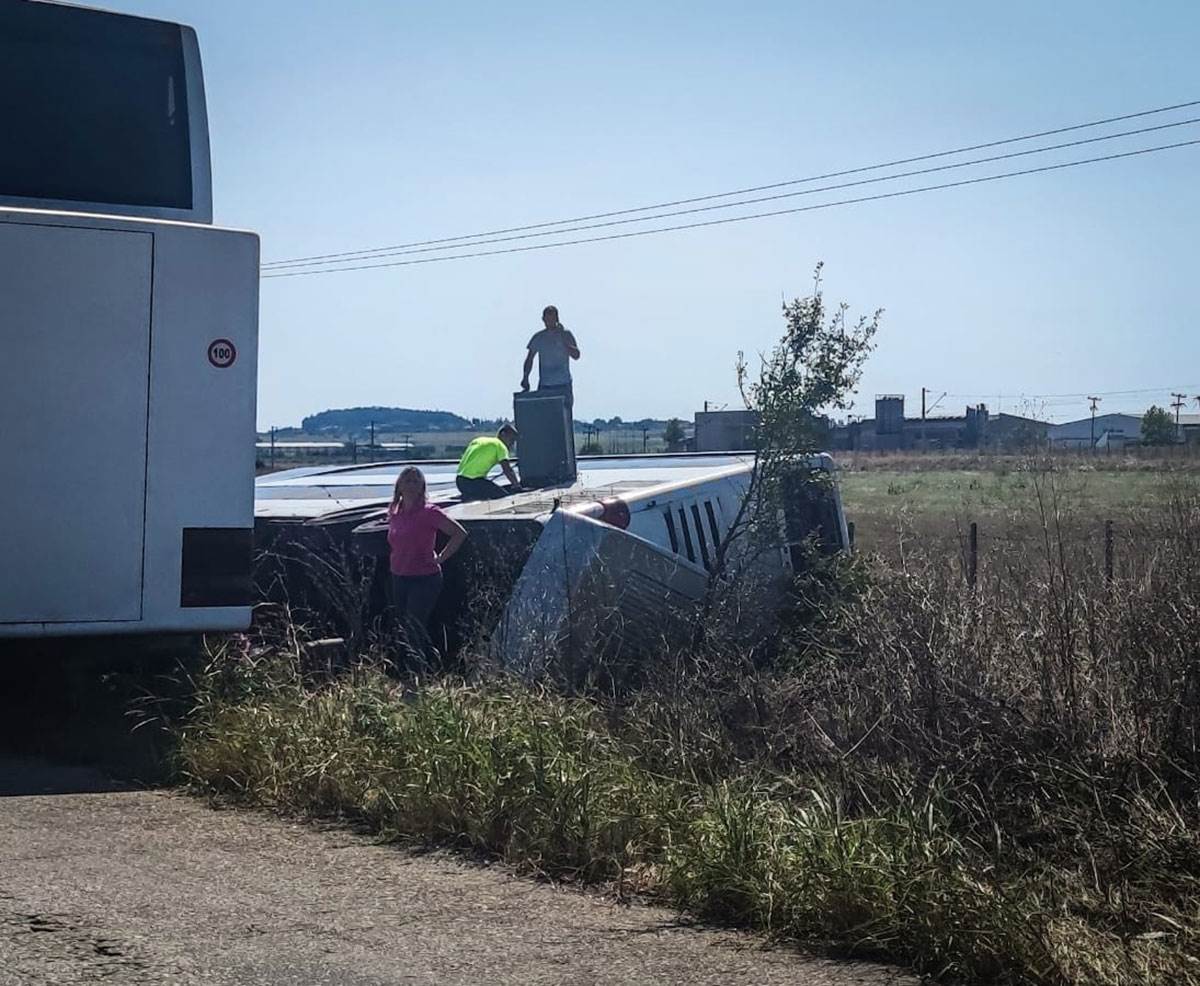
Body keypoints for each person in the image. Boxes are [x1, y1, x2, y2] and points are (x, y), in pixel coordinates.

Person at [387, 466, 467, 645]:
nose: (411, 485)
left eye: (416, 481)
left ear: (422, 486)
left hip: (424, 577)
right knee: (401, 626)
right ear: (399, 486)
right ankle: (404, 669)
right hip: (398, 576)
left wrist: (441, 557)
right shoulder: (394, 511)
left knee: (414, 627)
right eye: (407, 480)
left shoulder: (430, 512)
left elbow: (459, 533)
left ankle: (419, 670)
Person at [521, 304, 580, 414]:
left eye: (552, 318)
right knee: (544, 417)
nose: (549, 321)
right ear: (543, 319)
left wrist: (564, 342)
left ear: (557, 318)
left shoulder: (566, 334)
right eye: (547, 318)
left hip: (563, 385)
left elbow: (576, 355)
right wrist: (525, 377)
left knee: (565, 417)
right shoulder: (539, 337)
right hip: (545, 385)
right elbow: (529, 358)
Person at [456, 425, 520, 501]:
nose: (512, 444)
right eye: (511, 440)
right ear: (503, 434)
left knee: (485, 490)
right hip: (473, 482)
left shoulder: (478, 440)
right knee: (503, 497)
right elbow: (507, 470)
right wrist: (516, 486)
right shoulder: (500, 446)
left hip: (460, 481)